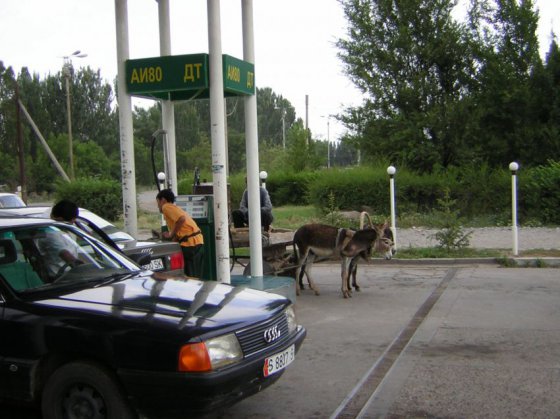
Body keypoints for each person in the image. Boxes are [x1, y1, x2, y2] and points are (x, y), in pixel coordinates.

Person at [156, 189, 204, 278]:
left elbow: (181, 219)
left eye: (158, 202)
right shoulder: (174, 208)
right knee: (193, 273)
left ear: (163, 200)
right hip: (196, 241)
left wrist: (170, 234)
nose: (158, 205)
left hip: (190, 243)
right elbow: (179, 229)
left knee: (187, 273)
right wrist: (172, 238)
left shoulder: (166, 207)